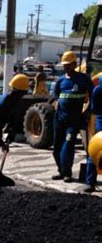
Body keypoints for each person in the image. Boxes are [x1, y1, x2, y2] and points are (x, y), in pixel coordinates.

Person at [50, 50, 93, 183]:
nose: (66, 67)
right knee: (56, 148)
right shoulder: (61, 80)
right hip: (59, 119)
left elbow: (93, 95)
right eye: (64, 65)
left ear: (75, 64)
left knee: (68, 146)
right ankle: (61, 171)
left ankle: (67, 173)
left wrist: (88, 112)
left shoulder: (83, 79)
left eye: (68, 64)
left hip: (73, 121)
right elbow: (56, 95)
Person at [84, 76, 102, 193]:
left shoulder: (97, 90)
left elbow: (94, 109)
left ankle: (90, 182)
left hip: (100, 123)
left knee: (94, 152)